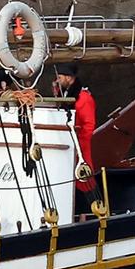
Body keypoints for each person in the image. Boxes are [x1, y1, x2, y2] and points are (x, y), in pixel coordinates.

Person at [54, 65, 98, 196]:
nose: (57, 80)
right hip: (68, 141)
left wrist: (80, 145)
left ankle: (86, 211)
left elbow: (89, 125)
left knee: (83, 177)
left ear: (69, 78)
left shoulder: (84, 98)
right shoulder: (66, 93)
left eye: (59, 77)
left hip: (79, 143)